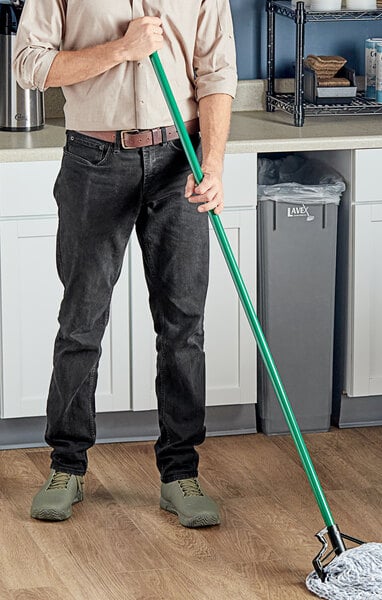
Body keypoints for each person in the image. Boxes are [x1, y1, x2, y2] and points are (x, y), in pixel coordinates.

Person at [13, 0, 237, 528]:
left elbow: (216, 70)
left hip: (180, 155)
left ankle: (180, 473)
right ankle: (66, 466)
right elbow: (29, 64)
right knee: (81, 323)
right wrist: (121, 49)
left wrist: (215, 164)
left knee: (184, 325)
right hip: (93, 160)